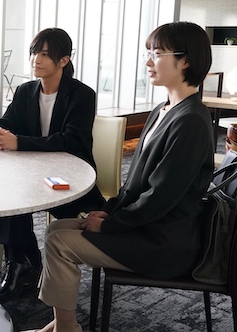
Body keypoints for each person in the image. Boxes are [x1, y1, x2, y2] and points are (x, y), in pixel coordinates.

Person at [24, 21, 214, 332]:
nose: (148, 62)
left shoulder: (191, 121)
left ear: (186, 61)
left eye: (157, 54)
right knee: (57, 228)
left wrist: (111, 225)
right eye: (148, 54)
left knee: (59, 242)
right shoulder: (164, 110)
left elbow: (160, 197)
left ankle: (66, 328)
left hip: (163, 244)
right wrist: (109, 211)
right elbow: (136, 184)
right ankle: (61, 325)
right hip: (144, 228)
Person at [0, 28, 105, 304]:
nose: (36, 59)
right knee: (9, 193)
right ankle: (19, 262)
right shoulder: (25, 91)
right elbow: (8, 122)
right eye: (34, 52)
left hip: (72, 181)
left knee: (17, 193)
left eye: (45, 54)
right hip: (32, 177)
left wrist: (19, 142)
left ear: (64, 60)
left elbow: (71, 140)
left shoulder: (82, 95)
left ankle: (28, 262)